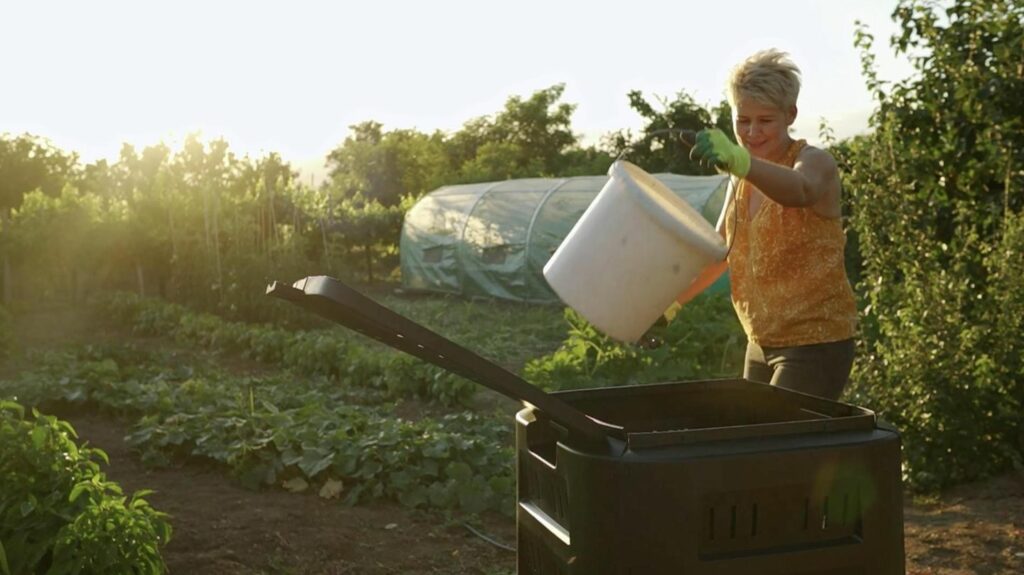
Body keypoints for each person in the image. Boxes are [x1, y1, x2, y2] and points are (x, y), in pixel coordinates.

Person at [673, 49, 858, 401]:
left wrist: (739, 161)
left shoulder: (814, 162)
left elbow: (800, 190)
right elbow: (717, 253)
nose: (752, 132)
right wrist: (668, 307)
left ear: (790, 114)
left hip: (815, 343)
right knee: (754, 447)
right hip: (759, 342)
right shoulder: (741, 179)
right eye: (743, 121)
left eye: (765, 121)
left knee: (773, 448)